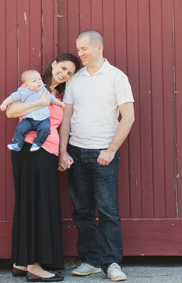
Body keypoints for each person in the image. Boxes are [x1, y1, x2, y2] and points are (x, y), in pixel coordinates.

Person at [58, 30, 135, 282]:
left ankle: (111, 263)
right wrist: (63, 151)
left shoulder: (116, 77)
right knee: (82, 211)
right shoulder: (75, 79)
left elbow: (129, 116)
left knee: (108, 211)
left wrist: (111, 150)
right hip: (77, 154)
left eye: (84, 49)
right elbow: (66, 118)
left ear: (99, 48)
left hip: (104, 154)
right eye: (78, 49)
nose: (79, 53)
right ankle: (90, 260)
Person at [5, 53, 81, 283]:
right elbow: (11, 112)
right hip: (29, 150)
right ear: (55, 63)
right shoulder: (34, 85)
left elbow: (62, 125)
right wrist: (38, 102)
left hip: (46, 153)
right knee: (34, 205)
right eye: (63, 68)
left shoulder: (60, 95)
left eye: (69, 73)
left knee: (35, 204)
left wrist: (62, 153)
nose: (64, 73)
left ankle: (21, 261)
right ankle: (33, 265)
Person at [1, 70, 65, 152]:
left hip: (43, 119)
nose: (38, 82)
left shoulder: (43, 90)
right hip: (29, 120)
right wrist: (4, 103)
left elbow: (52, 99)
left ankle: (38, 143)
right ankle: (17, 144)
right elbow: (12, 97)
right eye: (34, 81)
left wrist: (60, 104)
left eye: (39, 79)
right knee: (20, 129)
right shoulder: (22, 92)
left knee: (45, 129)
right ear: (26, 85)